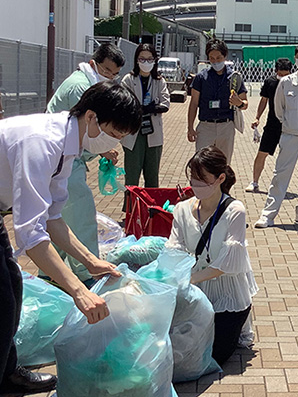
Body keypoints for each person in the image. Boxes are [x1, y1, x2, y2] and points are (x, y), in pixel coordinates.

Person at [0, 81, 140, 396]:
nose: (114, 143)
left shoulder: (69, 145)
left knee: (11, 284)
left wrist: (92, 262)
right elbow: (31, 235)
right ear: (91, 117)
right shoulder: (44, 142)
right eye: (114, 133)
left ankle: (5, 373)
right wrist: (78, 291)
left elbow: (52, 217)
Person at [168, 146, 259, 365]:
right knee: (178, 350)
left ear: (220, 178)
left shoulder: (234, 210)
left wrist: (189, 278)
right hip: (193, 291)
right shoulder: (181, 209)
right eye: (193, 179)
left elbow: (228, 264)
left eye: (202, 180)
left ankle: (236, 328)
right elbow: (173, 248)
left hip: (227, 295)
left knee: (213, 355)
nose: (195, 185)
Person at [46, 42, 125, 282]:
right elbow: (87, 127)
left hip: (65, 159)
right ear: (94, 64)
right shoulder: (81, 87)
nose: (110, 77)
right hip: (64, 159)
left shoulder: (89, 83)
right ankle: (89, 273)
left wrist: (102, 149)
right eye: (106, 70)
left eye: (114, 74)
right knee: (81, 216)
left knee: (59, 219)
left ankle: (50, 275)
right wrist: (102, 148)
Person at [254, 43, 298, 228]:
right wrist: (289, 123)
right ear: (295, 58)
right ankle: (268, 215)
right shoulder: (285, 83)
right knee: (280, 174)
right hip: (290, 134)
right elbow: (279, 109)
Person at [187, 39, 248, 162]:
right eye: (212, 58)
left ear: (225, 56)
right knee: (202, 164)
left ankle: (221, 182)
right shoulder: (201, 77)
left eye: (219, 58)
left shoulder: (234, 77)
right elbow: (193, 103)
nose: (215, 61)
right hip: (205, 126)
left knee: (223, 164)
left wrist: (239, 103)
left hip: (226, 126)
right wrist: (190, 127)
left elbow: (245, 103)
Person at [120, 44, 170, 188]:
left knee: (152, 176)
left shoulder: (159, 81)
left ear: (155, 60)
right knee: (131, 176)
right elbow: (123, 103)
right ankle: (130, 208)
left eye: (149, 59)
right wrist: (138, 108)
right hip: (133, 133)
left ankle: (151, 209)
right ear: (136, 60)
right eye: (142, 59)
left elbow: (165, 103)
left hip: (153, 132)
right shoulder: (128, 79)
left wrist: (151, 108)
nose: (146, 62)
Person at [247, 58, 292, 192]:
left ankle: (281, 185)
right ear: (275, 71)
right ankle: (254, 182)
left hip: (289, 125)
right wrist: (257, 118)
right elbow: (263, 100)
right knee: (262, 153)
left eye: (286, 74)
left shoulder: (295, 84)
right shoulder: (270, 82)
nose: (283, 77)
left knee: (287, 157)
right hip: (272, 123)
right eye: (281, 74)